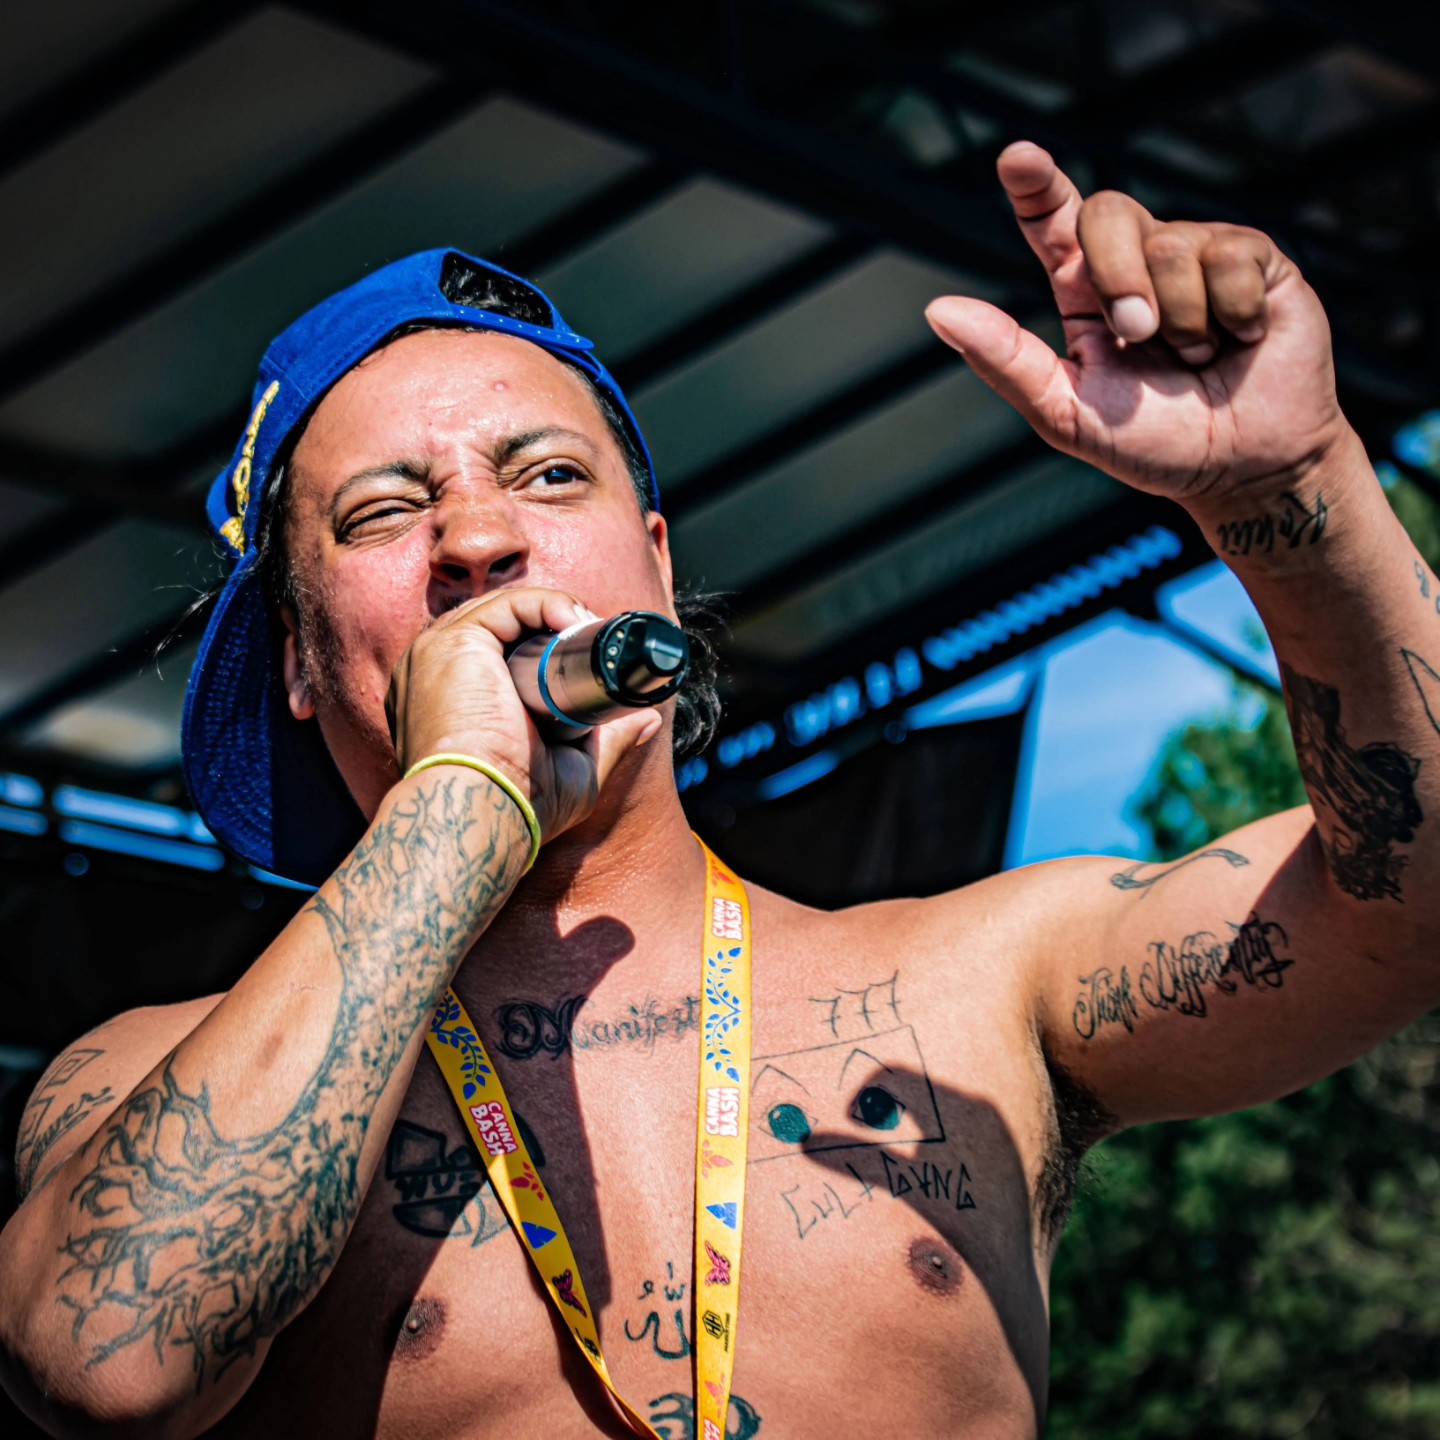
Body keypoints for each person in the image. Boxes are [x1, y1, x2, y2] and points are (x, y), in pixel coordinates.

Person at [0, 139, 1435, 1440]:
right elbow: (103, 1360)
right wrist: (463, 798)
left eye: (548, 476)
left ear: (658, 566)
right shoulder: (144, 1077)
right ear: (301, 666)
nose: (480, 538)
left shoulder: (981, 980)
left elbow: (1408, 902)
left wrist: (1290, 489)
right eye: (385, 511)